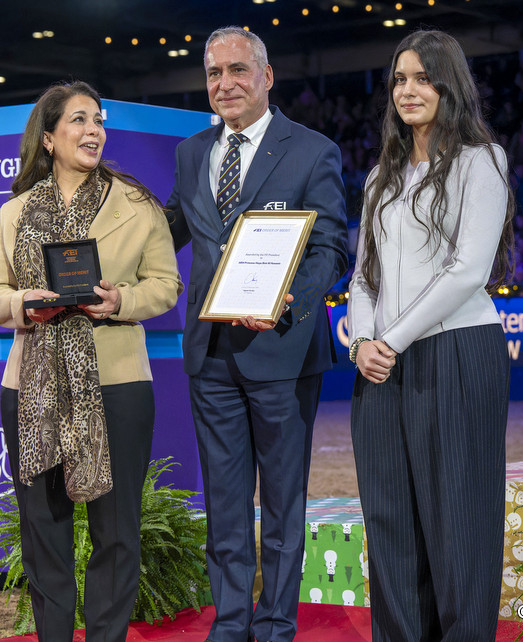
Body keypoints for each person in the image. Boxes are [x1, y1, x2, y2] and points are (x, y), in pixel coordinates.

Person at [0, 81, 183, 642]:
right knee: (44, 529)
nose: (93, 130)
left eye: (98, 120)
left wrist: (121, 301)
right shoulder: (14, 213)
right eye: (78, 120)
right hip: (32, 386)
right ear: (49, 138)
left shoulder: (137, 206)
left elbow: (166, 284)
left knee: (116, 531)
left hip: (116, 384)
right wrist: (24, 304)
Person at [164, 26, 347, 642]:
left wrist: (294, 299)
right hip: (210, 354)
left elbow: (330, 247)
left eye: (237, 71)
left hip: (284, 348)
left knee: (283, 505)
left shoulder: (312, 150)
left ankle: (275, 626)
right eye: (214, 74)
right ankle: (230, 622)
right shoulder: (192, 153)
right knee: (224, 503)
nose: (225, 85)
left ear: (267, 77)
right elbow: (170, 231)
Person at [347, 30, 514, 641]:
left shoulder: (481, 162)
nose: (408, 91)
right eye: (399, 80)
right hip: (380, 365)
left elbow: (468, 270)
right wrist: (363, 341)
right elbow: (362, 275)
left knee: (458, 520)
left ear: (450, 85)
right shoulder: (379, 178)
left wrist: (390, 338)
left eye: (422, 78)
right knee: (390, 519)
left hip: (456, 353)